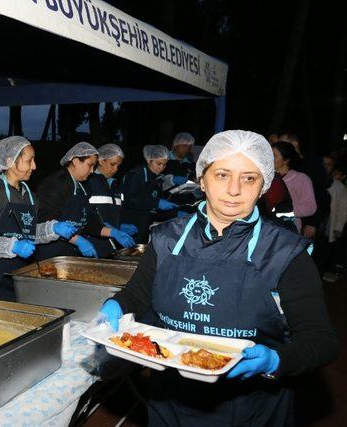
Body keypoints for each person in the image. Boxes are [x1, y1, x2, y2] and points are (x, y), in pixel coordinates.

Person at [100, 130, 338, 426]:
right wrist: (115, 305)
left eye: (249, 178)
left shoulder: (285, 252)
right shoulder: (166, 238)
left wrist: (277, 360)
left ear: (264, 184)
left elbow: (321, 339)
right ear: (202, 179)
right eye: (222, 175)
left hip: (253, 409)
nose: (234, 189)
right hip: (171, 403)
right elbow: (137, 294)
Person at [0, 136, 77, 300]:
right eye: (29, 160)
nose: (35, 166)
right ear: (10, 161)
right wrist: (12, 246)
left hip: (13, 274)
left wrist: (52, 229)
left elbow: (28, 232)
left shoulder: (27, 194)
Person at [36, 142, 118, 260]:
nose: (91, 171)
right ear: (75, 161)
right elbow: (46, 219)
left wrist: (111, 232)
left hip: (72, 253)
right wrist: (78, 240)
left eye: (93, 167)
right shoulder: (55, 184)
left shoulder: (84, 187)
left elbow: (87, 219)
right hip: (53, 254)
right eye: (89, 165)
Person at [86, 143, 136, 257]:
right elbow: (86, 214)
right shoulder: (89, 182)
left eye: (118, 165)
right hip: (92, 243)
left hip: (110, 245)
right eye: (112, 164)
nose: (116, 169)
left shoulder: (115, 185)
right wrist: (108, 228)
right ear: (101, 161)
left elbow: (111, 212)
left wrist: (120, 225)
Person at [120, 145, 179, 242]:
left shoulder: (157, 178)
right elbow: (129, 200)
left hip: (146, 224)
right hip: (131, 224)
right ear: (149, 160)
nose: (161, 168)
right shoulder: (136, 175)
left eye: (164, 165)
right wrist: (156, 203)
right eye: (158, 164)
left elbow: (155, 202)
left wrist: (174, 213)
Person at [272, 141, 317, 233]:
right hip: (266, 230)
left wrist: (284, 210)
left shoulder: (301, 179)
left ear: (286, 160)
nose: (269, 158)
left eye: (274, 155)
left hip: (288, 231)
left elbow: (310, 207)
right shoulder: (264, 178)